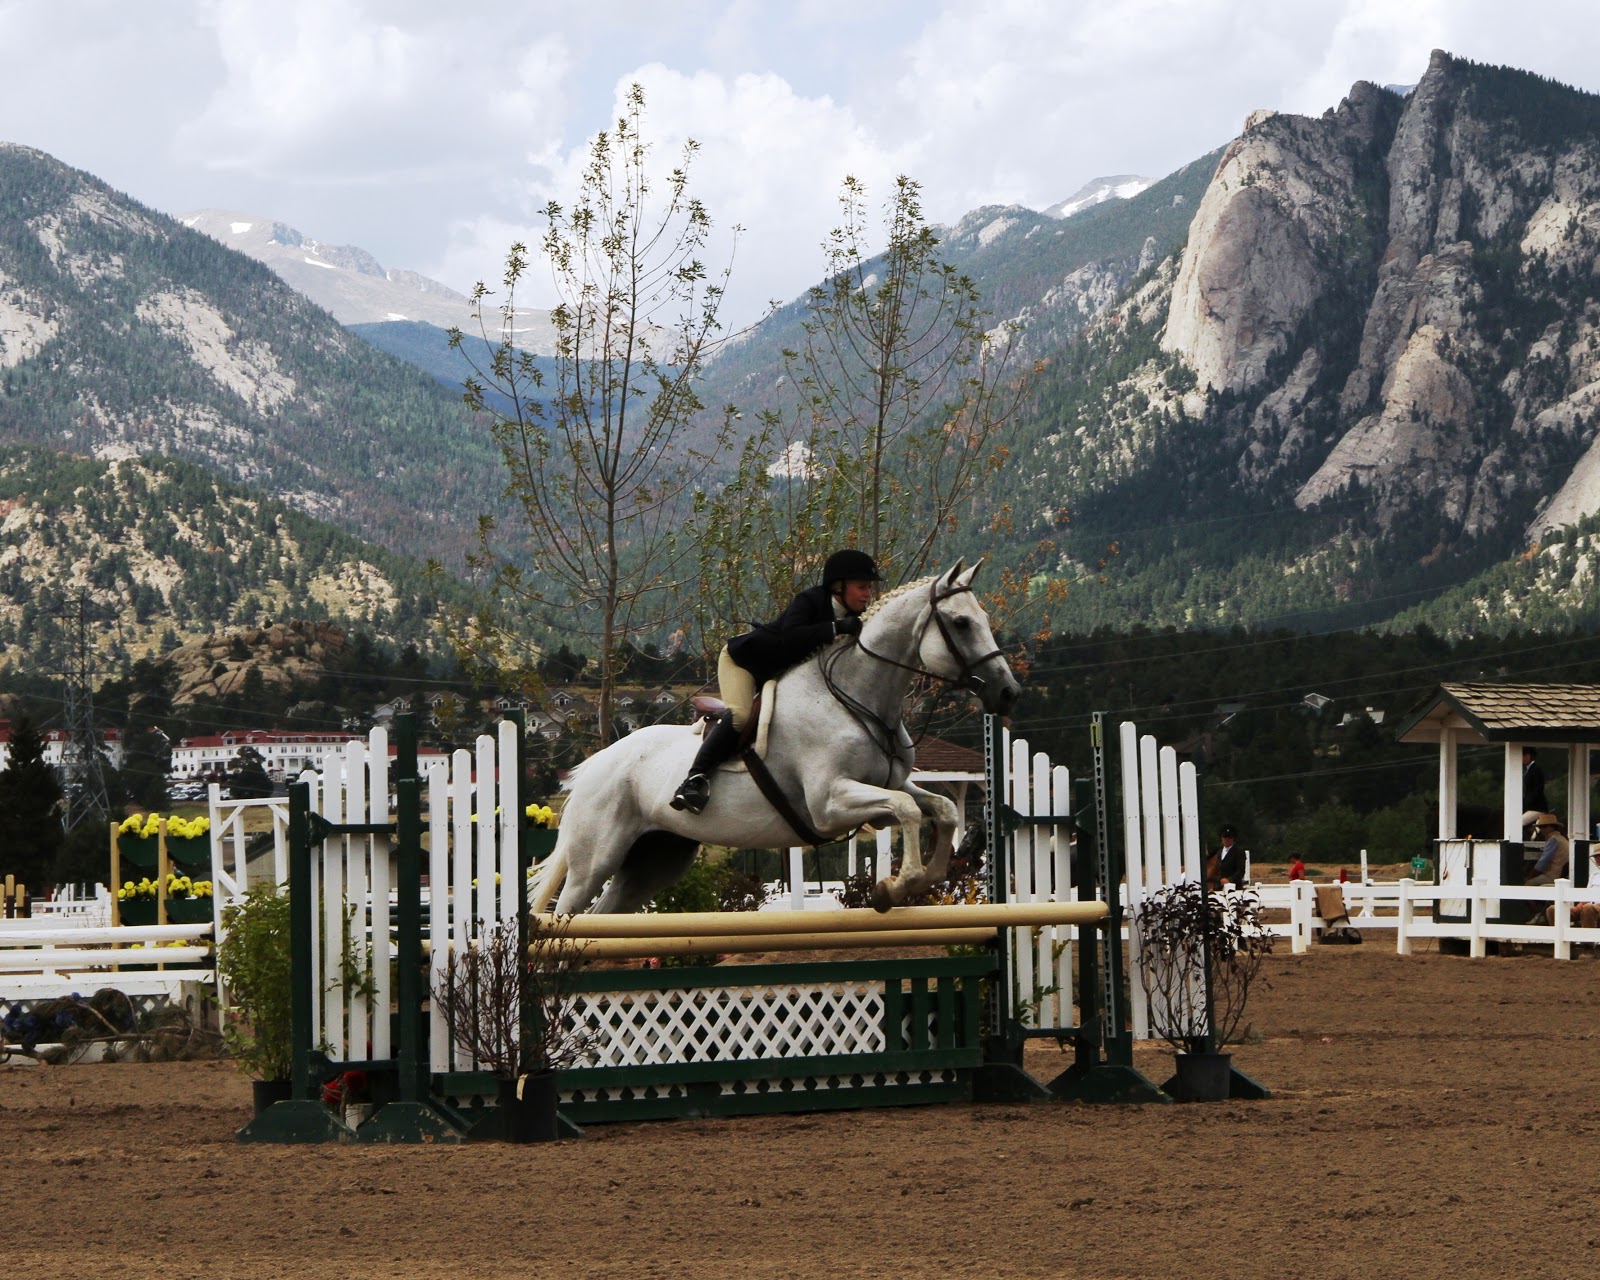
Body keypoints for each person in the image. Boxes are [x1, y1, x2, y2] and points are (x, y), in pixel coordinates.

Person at [670, 550, 883, 815]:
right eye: (862, 587)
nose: (867, 594)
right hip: (744, 662)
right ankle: (694, 779)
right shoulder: (810, 600)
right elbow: (791, 636)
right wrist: (836, 628)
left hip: (777, 674)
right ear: (838, 586)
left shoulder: (854, 619)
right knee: (740, 715)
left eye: (869, 588)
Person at [1526, 813, 1570, 887]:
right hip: (1562, 875)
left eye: (1544, 826)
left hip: (1554, 875)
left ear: (1552, 827)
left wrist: (1530, 875)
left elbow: (1543, 861)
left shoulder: (1553, 840)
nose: (1542, 829)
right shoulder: (1561, 838)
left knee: (1528, 884)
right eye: (1540, 827)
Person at [1205, 825, 1248, 890]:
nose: (1226, 840)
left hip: (1234, 887)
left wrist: (1229, 880)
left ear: (1233, 838)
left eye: (1229, 837)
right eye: (1224, 837)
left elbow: (1240, 871)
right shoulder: (1219, 852)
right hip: (1218, 887)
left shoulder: (1239, 852)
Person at [1521, 748, 1548, 831]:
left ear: (1528, 756)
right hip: (1531, 806)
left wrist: (1526, 803)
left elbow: (1537, 789)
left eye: (1523, 756)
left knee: (1518, 822)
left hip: (1537, 808)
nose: (1521, 758)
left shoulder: (1536, 770)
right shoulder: (1529, 770)